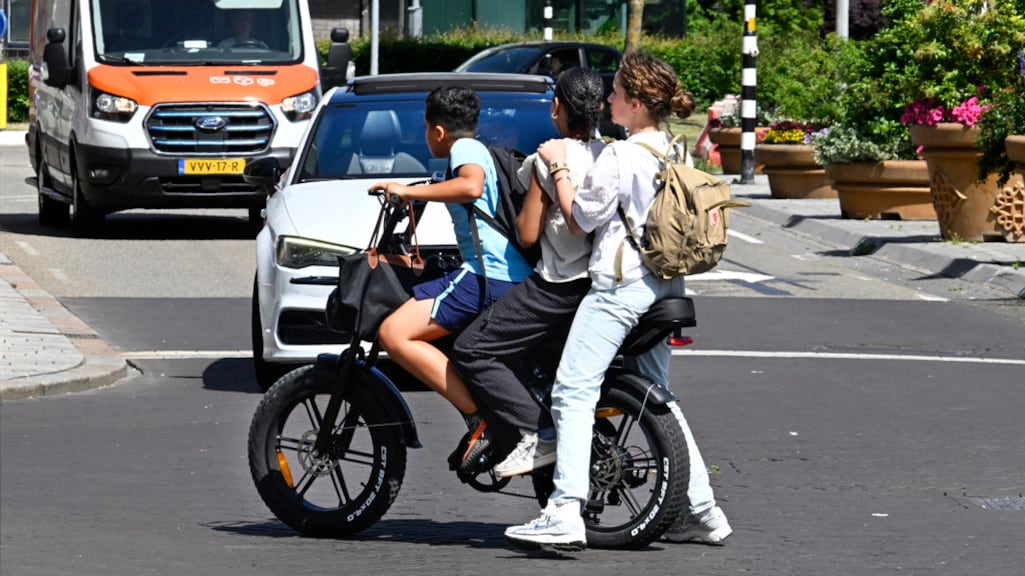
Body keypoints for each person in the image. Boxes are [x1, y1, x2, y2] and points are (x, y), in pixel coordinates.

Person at [504, 51, 732, 551]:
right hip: (666, 285)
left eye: (615, 93)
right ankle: (705, 512)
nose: (608, 99)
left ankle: (564, 509)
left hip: (620, 287)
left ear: (634, 101)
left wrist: (560, 168)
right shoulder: (674, 151)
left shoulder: (621, 154)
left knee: (571, 391)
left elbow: (583, 219)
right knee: (658, 397)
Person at [449, 68, 607, 477]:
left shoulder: (547, 159)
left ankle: (536, 432)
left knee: (472, 348)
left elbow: (526, 232)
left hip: (556, 285)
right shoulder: (610, 154)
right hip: (600, 284)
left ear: (557, 107)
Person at [371, 87, 535, 467]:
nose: (426, 136)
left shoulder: (464, 150)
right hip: (501, 274)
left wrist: (413, 194)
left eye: (426, 129)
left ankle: (482, 419)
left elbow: (470, 187)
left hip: (487, 274)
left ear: (438, 132)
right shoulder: (473, 149)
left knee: (394, 333)